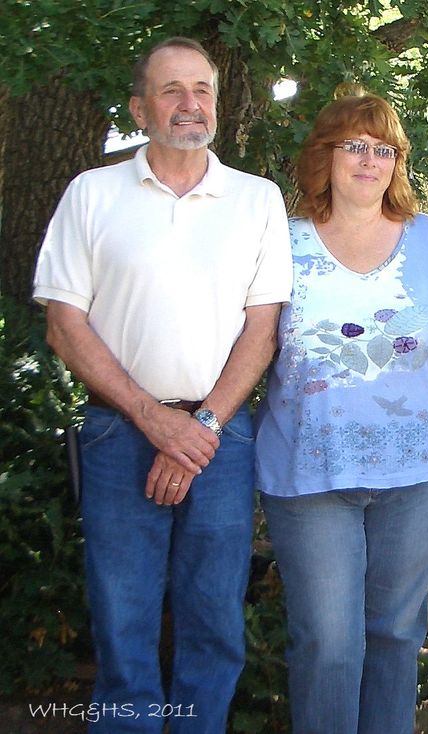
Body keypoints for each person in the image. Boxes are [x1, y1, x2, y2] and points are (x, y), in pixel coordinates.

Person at [32, 37, 292, 733]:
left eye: (202, 88)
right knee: (123, 620)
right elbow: (64, 324)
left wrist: (198, 429)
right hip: (120, 431)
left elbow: (262, 332)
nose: (190, 104)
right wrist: (154, 420)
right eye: (172, 90)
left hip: (222, 436)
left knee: (214, 621)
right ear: (139, 108)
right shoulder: (92, 193)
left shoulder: (255, 200)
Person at [254, 92, 428, 734]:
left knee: (398, 635)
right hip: (310, 473)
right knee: (328, 645)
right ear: (326, 156)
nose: (370, 160)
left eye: (385, 149)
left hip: (417, 475)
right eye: (355, 146)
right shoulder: (281, 240)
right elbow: (249, 341)